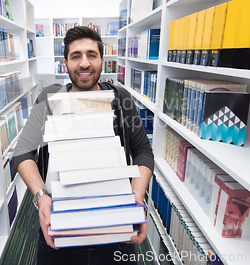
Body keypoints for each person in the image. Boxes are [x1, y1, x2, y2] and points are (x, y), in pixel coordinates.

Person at [14, 26, 154, 264]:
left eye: (91, 54)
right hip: (60, 227)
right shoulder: (48, 99)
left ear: (102, 59)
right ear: (66, 63)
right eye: (75, 56)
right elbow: (23, 152)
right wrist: (41, 197)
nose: (84, 63)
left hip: (115, 229)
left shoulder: (121, 99)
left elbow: (142, 152)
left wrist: (136, 198)